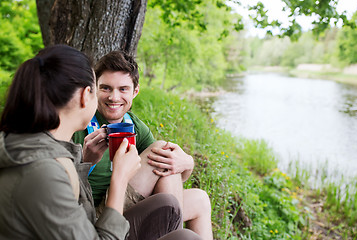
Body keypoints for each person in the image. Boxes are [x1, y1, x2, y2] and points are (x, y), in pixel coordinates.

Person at [0, 45, 201, 240]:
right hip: (101, 225)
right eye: (101, 89)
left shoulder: (37, 143)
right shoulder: (41, 169)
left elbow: (74, 202)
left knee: (180, 220)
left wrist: (86, 162)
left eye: (123, 89)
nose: (112, 98)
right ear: (84, 96)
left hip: (95, 223)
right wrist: (120, 178)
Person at [73, 50, 213, 239]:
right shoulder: (80, 122)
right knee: (161, 151)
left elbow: (172, 175)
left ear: (135, 91)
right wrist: (85, 160)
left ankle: (174, 234)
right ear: (94, 88)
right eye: (106, 88)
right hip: (98, 216)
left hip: (126, 206)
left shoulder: (135, 126)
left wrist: (188, 163)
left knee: (200, 200)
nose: (114, 97)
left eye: (123, 89)